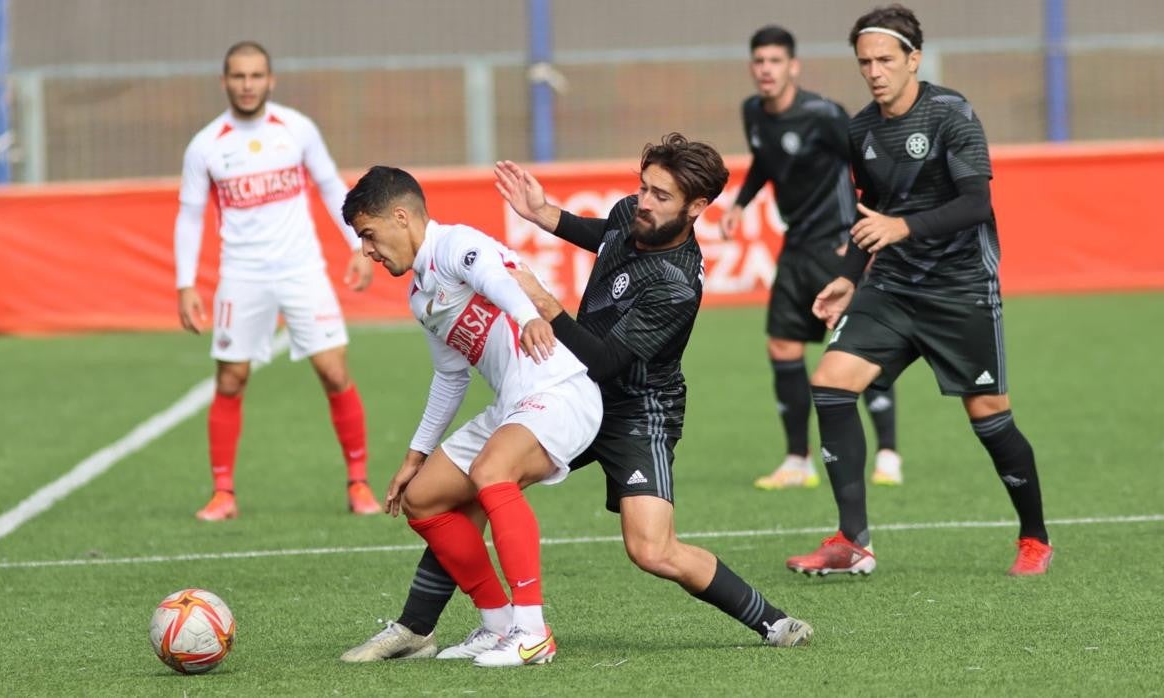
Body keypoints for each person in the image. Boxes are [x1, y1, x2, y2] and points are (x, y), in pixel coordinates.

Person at [343, 134, 813, 662]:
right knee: (462, 490)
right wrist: (547, 215)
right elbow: (606, 233)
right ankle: (427, 626)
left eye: (661, 195)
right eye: (643, 187)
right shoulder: (631, 215)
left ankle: (771, 620)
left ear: (695, 208)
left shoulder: (676, 285)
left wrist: (541, 305)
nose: (644, 201)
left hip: (637, 410)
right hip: (567, 381)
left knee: (651, 549)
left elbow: (607, 362)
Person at [784, 4, 1052, 577]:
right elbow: (871, 214)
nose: (875, 71)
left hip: (960, 289)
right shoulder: (860, 130)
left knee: (989, 417)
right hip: (893, 287)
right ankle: (852, 541)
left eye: (885, 59)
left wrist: (901, 228)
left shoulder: (951, 113)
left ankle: (1034, 538)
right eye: (865, 62)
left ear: (913, 59)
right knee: (830, 383)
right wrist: (847, 278)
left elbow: (976, 202)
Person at [337, 166, 603, 667]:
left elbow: (493, 277)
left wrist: (527, 317)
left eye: (368, 235)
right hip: (513, 405)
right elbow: (450, 378)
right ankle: (498, 623)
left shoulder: (454, 244)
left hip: (560, 390)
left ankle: (532, 632)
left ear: (401, 217)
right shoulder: (420, 295)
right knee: (423, 500)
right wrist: (414, 456)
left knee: (490, 472)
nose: (367, 251)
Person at [174, 41, 382, 520]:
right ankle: (223, 493)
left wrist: (358, 244)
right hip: (241, 274)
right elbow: (189, 216)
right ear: (224, 81)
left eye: (255, 76)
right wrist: (185, 283)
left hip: (302, 268)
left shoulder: (297, 129)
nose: (247, 85)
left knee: (334, 371)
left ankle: (359, 484)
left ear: (271, 80)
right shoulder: (205, 145)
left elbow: (332, 186)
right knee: (231, 378)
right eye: (238, 76)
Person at [720, 25, 903, 490]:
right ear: (752, 68)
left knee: (857, 348)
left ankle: (887, 453)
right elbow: (764, 161)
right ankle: (798, 461)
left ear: (793, 67)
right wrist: (740, 205)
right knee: (782, 346)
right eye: (759, 61)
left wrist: (859, 232)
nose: (767, 69)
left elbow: (868, 162)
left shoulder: (823, 115)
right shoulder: (753, 113)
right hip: (796, 248)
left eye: (776, 61)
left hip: (838, 248)